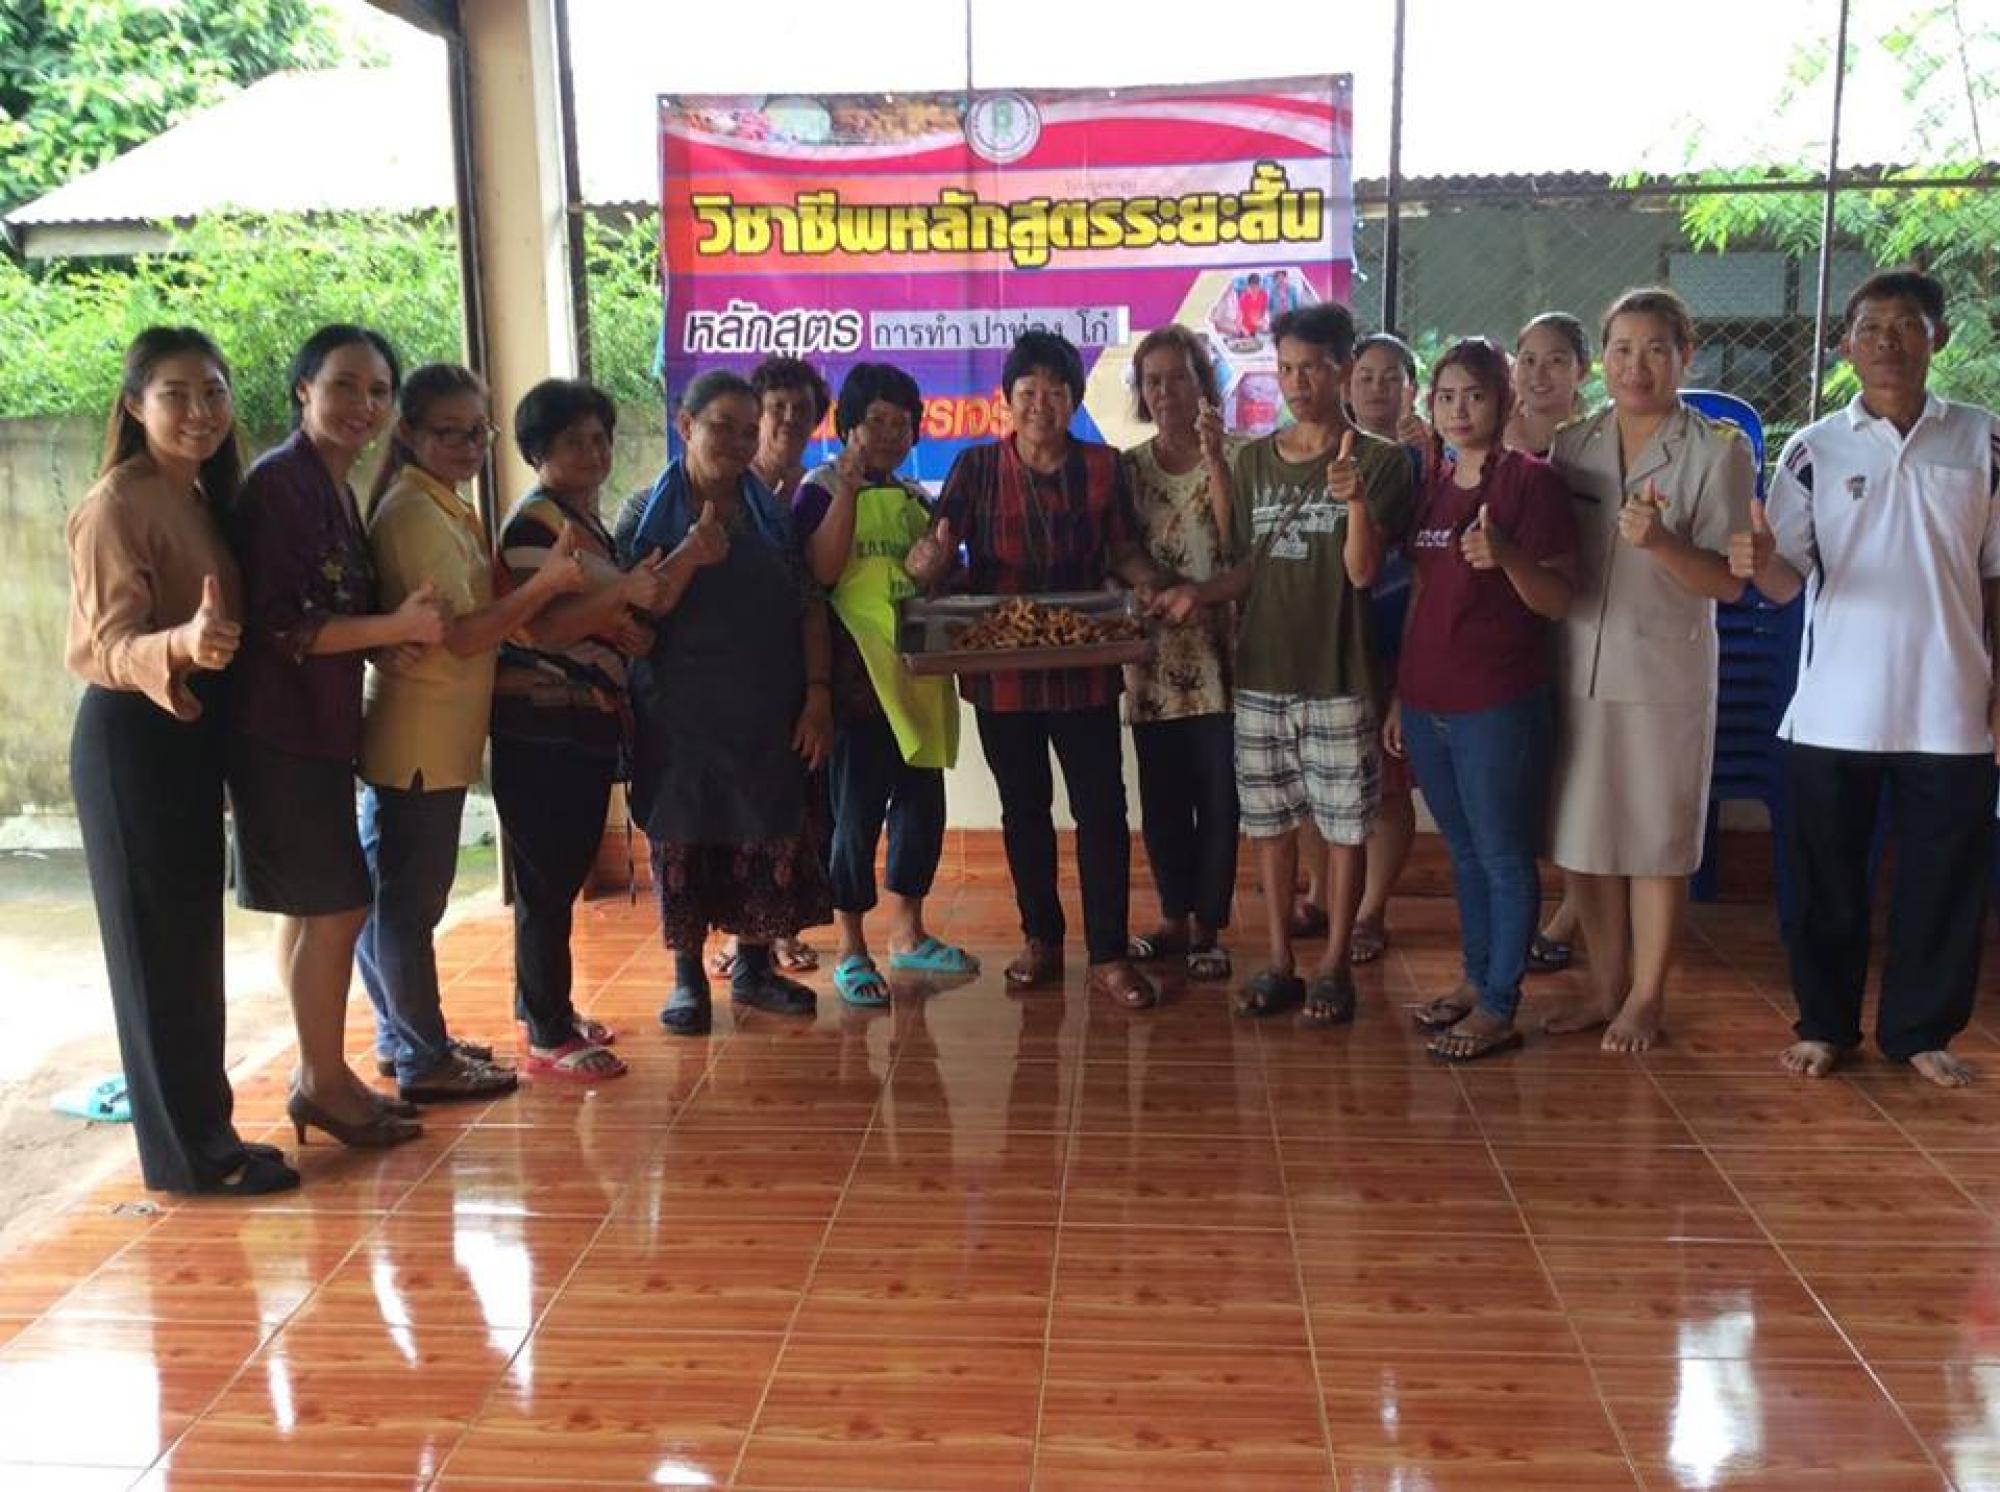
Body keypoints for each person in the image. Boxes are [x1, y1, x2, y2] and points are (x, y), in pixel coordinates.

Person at [1730, 268, 2000, 1089]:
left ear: (1937, 338)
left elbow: (1995, 578)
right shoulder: (1813, 449)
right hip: (1833, 709)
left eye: (1906, 325)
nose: (1888, 340)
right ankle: (1824, 1025)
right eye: (1870, 327)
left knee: (1944, 884)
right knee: (1825, 882)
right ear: (1844, 346)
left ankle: (1921, 1030)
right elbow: (1784, 583)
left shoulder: (1983, 440)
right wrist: (1758, 561)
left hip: (1951, 706)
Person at [66, 327, 299, 1195]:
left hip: (187, 732)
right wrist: (181, 642)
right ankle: (190, 1160)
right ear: (135, 405)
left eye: (213, 392)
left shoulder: (197, 495)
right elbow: (106, 647)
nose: (200, 411)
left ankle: (211, 1137)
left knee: (192, 953)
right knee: (156, 959)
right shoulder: (115, 505)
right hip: (134, 739)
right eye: (175, 394)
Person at [1155, 302, 1415, 1025]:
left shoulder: (1383, 462)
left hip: (1339, 674)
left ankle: (1334, 966)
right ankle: (1278, 961)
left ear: (1344, 368)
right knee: (1269, 826)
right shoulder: (1255, 459)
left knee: (1346, 826)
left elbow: (1364, 572)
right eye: (1287, 368)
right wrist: (1199, 592)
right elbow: (1247, 562)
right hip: (1263, 673)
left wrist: (1354, 499)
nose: (1298, 383)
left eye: (1314, 368)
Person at [905, 329, 1177, 1010]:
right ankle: (1041, 941)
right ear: (1008, 399)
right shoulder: (975, 468)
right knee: (1022, 808)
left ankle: (1109, 955)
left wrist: (1149, 582)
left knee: (1102, 809)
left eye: (1055, 393)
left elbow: (1123, 550)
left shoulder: (1103, 467)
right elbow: (935, 552)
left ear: (1073, 400)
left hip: (1085, 664)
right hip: (1001, 671)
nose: (1040, 405)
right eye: (1028, 392)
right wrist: (926, 564)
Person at [230, 325, 445, 1147]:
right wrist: (394, 626)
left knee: (308, 909)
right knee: (341, 903)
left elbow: (333, 616)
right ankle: (322, 1080)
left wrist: (380, 640)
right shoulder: (280, 485)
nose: (363, 404)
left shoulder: (333, 487)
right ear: (303, 390)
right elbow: (282, 625)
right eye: (344, 385)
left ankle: (318, 1071)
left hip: (318, 730)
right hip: (278, 729)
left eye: (378, 390)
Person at [357, 365, 590, 1097]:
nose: (466, 447)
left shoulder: (443, 503)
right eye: (448, 433)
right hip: (417, 737)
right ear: (409, 433)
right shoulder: (413, 513)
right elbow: (458, 635)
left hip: (441, 733)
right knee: (409, 907)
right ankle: (422, 1058)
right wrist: (545, 586)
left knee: (397, 899)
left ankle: (405, 1036)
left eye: (475, 433)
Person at [1540, 287, 1754, 1053]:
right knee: (1585, 840)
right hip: (1577, 665)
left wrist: (1663, 542)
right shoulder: (1573, 444)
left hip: (1663, 674)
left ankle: (1648, 995)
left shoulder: (1718, 450)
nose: (1637, 366)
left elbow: (1729, 582)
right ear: (1602, 360)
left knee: (1657, 843)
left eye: (1656, 349)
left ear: (1685, 356)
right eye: (1623, 349)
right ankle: (1604, 986)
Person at [1385, 338, 1577, 1060]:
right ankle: (1474, 979)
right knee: (1463, 851)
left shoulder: (1532, 483)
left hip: (1497, 700)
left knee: (1502, 853)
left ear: (1503, 399)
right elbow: (1421, 591)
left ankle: (1500, 1004)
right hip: (1426, 698)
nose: (1459, 410)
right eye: (1446, 397)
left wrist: (1508, 557)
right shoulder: (1435, 482)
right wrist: (1399, 693)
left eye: (1474, 395)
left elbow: (1559, 597)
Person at [628, 370, 834, 1035]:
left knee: (764, 835)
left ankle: (755, 969)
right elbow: (631, 614)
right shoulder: (643, 512)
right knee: (683, 841)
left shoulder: (772, 515)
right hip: (677, 717)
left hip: (765, 711)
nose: (740, 443)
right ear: (686, 425)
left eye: (750, 431)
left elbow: (809, 608)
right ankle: (687, 981)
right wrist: (691, 554)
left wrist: (818, 696)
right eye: (724, 427)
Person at [494, 379, 671, 1077]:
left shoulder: (585, 522)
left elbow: (593, 619)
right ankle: (547, 1031)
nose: (594, 452)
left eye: (601, 438)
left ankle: (547, 1010)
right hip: (542, 724)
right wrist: (622, 596)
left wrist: (627, 628)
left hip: (584, 721)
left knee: (557, 873)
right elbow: (540, 627)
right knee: (547, 877)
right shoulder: (535, 524)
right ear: (537, 451)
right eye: (574, 441)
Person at [793, 362, 976, 1006]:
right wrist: (848, 491)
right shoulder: (818, 489)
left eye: (902, 423)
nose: (891, 434)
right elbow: (820, 573)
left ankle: (909, 933)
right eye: (876, 421)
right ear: (848, 426)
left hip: (916, 684)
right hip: (855, 686)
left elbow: (936, 582)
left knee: (921, 811)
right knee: (855, 818)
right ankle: (851, 947)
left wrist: (935, 569)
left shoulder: (916, 499)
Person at [706, 354, 834, 978]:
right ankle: (741, 938)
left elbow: (813, 596)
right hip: (725, 689)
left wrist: (817, 690)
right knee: (735, 817)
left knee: (794, 816)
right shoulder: (724, 491)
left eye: (801, 409)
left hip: (795, 681)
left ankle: (777, 931)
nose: (788, 419)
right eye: (776, 408)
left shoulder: (813, 491)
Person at [1120, 324, 1240, 982]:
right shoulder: (1127, 468)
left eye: (1178, 377)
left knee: (1219, 798)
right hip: (1153, 660)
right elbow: (1116, 548)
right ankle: (1172, 918)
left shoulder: (1239, 456)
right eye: (1153, 380)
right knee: (1162, 797)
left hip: (1225, 657)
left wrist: (1216, 460)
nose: (1165, 391)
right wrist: (1146, 583)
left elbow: (1239, 543)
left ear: (1203, 384)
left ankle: (1208, 928)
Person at [1505, 311, 1595, 975]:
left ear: (1581, 371)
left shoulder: (1594, 443)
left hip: (1580, 623)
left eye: (1556, 360)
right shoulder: (1487, 434)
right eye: (1529, 360)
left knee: (1578, 776)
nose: (1540, 374)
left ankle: (1570, 914)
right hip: (1503, 632)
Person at [1342, 331, 1430, 964]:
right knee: (1323, 782)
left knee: (1388, 784)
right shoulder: (1329, 451)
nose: (1377, 387)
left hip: (1398, 639)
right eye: (1365, 376)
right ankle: (1326, 900)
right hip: (1330, 638)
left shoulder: (1429, 463)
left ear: (1412, 389)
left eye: (1391, 376)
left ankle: (1371, 911)